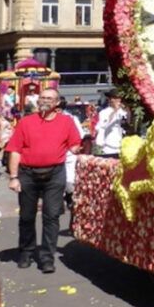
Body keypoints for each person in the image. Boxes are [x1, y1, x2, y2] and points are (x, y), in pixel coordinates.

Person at [4, 87, 82, 274]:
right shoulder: (26, 122)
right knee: (26, 216)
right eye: (42, 98)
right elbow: (15, 150)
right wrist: (14, 177)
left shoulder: (66, 122)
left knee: (52, 216)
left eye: (49, 98)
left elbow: (74, 146)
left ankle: (47, 257)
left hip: (54, 174)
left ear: (57, 103)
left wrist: (81, 147)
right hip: (27, 174)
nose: (45, 101)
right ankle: (26, 252)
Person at [59, 98, 86, 232]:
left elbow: (80, 135)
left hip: (68, 154)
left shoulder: (71, 119)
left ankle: (70, 203)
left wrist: (72, 146)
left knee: (69, 181)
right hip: (54, 156)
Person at [94, 88, 128, 158]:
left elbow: (128, 123)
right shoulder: (104, 112)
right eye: (115, 98)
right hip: (109, 148)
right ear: (110, 99)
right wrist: (115, 110)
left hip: (122, 146)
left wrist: (127, 109)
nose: (118, 100)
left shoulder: (124, 112)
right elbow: (104, 124)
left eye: (119, 98)